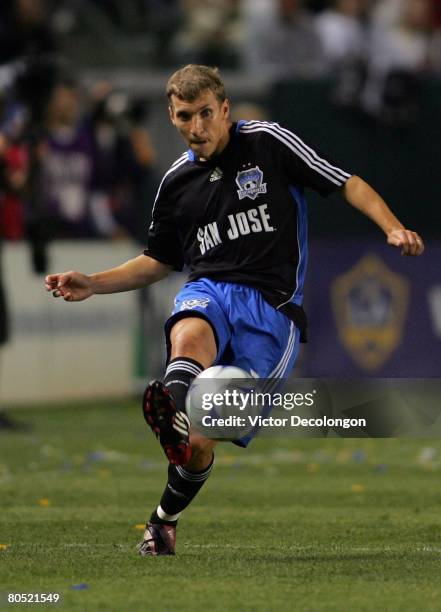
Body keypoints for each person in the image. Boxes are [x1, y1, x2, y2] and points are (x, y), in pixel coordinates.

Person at [44, 64, 424, 556]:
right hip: (211, 288)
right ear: (173, 117)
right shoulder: (177, 183)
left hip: (272, 310)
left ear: (225, 110)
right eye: (185, 116)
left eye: (206, 114)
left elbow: (346, 181)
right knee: (190, 332)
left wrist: (391, 226)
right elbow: (159, 261)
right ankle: (173, 405)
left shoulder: (268, 142)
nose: (197, 127)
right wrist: (93, 283)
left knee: (201, 445)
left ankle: (163, 520)